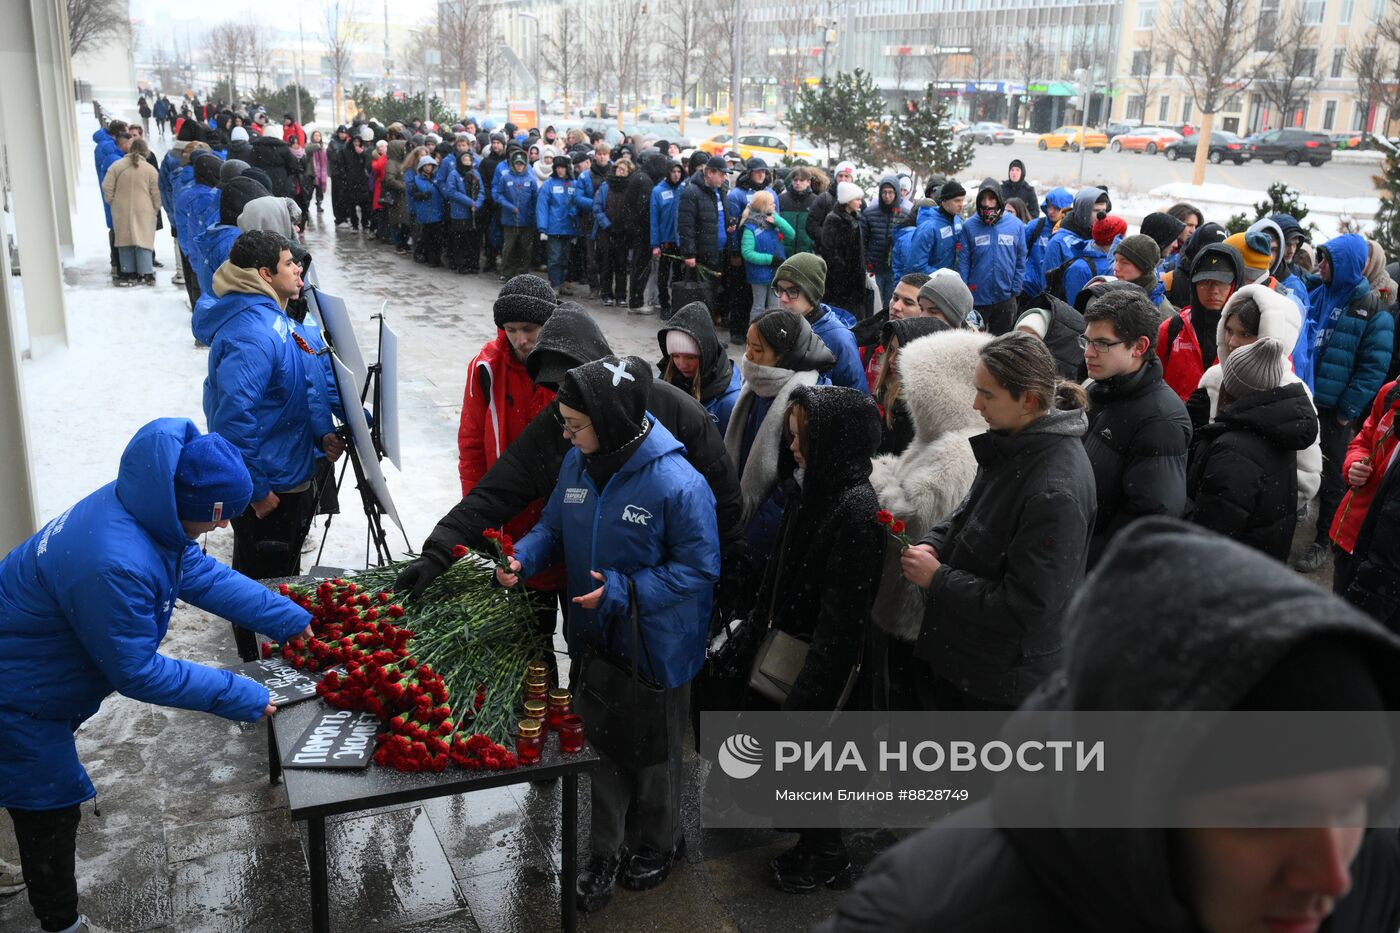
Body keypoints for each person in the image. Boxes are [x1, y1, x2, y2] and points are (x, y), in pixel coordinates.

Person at [816, 517, 1400, 933]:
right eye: (1269, 817)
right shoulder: (933, 910)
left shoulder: (1372, 864)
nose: (1331, 877)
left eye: (1353, 806)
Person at [0, 420, 316, 933]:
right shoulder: (114, 562)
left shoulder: (149, 505)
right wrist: (240, 692)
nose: (220, 531)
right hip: (16, 689)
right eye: (219, 520)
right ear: (196, 506)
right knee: (48, 805)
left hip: (33, 670)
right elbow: (137, 671)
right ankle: (61, 924)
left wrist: (290, 620)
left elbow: (194, 571)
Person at [495, 357, 720, 912]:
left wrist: (623, 591)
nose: (566, 434)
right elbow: (551, 527)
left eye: (575, 423)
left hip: (657, 645)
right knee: (601, 747)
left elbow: (699, 569)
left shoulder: (678, 483)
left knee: (657, 753)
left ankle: (660, 843)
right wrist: (521, 558)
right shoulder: (577, 463)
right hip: (596, 639)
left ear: (612, 420)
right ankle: (605, 850)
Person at [396, 303, 744, 621]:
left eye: (573, 381)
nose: (567, 405)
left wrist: (721, 591)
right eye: (558, 387)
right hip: (588, 597)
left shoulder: (675, 409)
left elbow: (723, 507)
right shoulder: (560, 420)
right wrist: (440, 550)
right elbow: (499, 489)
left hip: (661, 615)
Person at [899, 332, 1095, 710]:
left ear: (1029, 400)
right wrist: (936, 541)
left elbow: (1026, 607)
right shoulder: (1012, 440)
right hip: (971, 660)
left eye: (987, 395)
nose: (975, 404)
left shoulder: (1055, 491)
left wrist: (938, 578)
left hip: (996, 682)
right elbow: (970, 510)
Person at [757, 385, 885, 894]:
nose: (792, 449)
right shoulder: (822, 488)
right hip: (806, 649)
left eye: (801, 439)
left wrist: (812, 696)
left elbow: (843, 618)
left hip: (828, 665)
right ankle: (813, 846)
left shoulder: (855, 509)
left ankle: (827, 855)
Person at [200, 231, 343, 658]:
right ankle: (262, 667)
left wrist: (323, 433)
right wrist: (257, 489)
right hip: (272, 488)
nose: (298, 268)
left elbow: (305, 385)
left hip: (288, 474)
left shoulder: (277, 318)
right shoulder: (254, 333)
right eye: (288, 263)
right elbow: (232, 420)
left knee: (278, 578)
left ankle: (274, 659)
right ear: (265, 274)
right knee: (261, 585)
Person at [1295, 233, 1396, 574]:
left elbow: (1373, 368)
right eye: (1320, 259)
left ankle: (1324, 541)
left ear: (1347, 265)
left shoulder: (1373, 312)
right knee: (1298, 462)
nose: (1321, 265)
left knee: (1335, 479)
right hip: (1305, 399)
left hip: (1333, 412)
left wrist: (1345, 412)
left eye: (1328, 261)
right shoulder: (1317, 294)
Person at [1079, 286, 1191, 566]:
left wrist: (1079, 560)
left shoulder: (1161, 421)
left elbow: (1150, 522)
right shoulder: (1099, 389)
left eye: (1102, 343)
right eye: (1086, 341)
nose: (1088, 353)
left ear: (1139, 347)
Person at [1185, 284, 1323, 512]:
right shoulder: (1213, 377)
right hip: (1206, 507)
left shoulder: (1292, 393)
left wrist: (1254, 508)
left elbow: (1305, 480)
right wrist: (1195, 432)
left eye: (1246, 333)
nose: (1232, 342)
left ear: (1271, 335)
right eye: (1229, 330)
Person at [725, 310, 836, 588]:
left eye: (758, 348)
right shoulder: (756, 385)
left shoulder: (810, 403)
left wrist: (748, 546)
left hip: (768, 543)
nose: (748, 355)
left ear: (785, 353)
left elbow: (791, 490)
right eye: (747, 345)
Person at [1185, 337, 1318, 561]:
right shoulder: (1277, 431)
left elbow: (1210, 535)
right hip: (1257, 567)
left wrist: (1197, 442)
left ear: (1230, 387)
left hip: (1225, 576)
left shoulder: (1234, 451)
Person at [1158, 243, 1246, 400]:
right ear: (1193, 284)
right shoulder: (1172, 329)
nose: (1213, 290)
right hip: (1178, 421)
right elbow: (1154, 384)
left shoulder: (1253, 332)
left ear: (1234, 284)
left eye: (1222, 282)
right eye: (1204, 282)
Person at [770, 254, 867, 392]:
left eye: (792, 291)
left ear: (812, 294)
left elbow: (859, 400)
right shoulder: (777, 324)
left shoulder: (839, 339)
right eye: (779, 289)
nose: (783, 298)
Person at [658, 303, 743, 434]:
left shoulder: (729, 402)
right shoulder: (663, 381)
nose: (682, 364)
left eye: (690, 357)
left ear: (706, 355)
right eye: (675, 356)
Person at [871, 317, 951, 455]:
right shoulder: (893, 397)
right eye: (891, 349)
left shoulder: (915, 414)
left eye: (902, 352)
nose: (891, 359)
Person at [958, 179, 1027, 335]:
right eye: (983, 198)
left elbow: (1020, 259)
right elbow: (964, 262)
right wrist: (965, 291)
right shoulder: (969, 226)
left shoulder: (1015, 225)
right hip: (977, 298)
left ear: (999, 199)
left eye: (991, 198)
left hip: (1005, 297)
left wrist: (1015, 288)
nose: (987, 203)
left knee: (1001, 343)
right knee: (972, 341)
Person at [678, 156, 730, 330]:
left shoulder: (720, 190)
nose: (724, 178)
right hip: (702, 254)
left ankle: (707, 330)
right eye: (721, 174)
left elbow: (721, 217)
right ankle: (700, 332)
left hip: (720, 251)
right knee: (702, 296)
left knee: (715, 293)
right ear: (709, 173)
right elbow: (686, 225)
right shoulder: (691, 192)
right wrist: (689, 253)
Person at [739, 191, 794, 322]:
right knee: (758, 306)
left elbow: (791, 234)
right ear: (763, 206)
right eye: (771, 203)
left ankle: (772, 333)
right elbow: (747, 253)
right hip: (759, 273)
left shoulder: (774, 221)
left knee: (775, 306)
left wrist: (778, 220)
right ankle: (754, 334)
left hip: (776, 271)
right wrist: (770, 259)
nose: (775, 205)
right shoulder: (750, 226)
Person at [536, 154, 579, 295]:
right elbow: (542, 206)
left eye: (563, 168)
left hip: (569, 228)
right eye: (558, 168)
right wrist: (542, 228)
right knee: (554, 258)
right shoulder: (549, 184)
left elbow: (578, 203)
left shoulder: (574, 184)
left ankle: (561, 283)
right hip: (553, 228)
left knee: (565, 258)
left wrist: (576, 223)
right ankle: (554, 284)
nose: (560, 170)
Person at [1061, 214, 1123, 308]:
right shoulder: (1080, 268)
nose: (1125, 239)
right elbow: (1075, 308)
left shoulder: (1114, 261)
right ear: (1113, 239)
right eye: (1122, 236)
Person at [862, 176, 905, 310]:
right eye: (884, 192)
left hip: (894, 269)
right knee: (875, 303)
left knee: (892, 303)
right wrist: (866, 262)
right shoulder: (869, 213)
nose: (887, 196)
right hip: (874, 267)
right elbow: (863, 241)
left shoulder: (904, 215)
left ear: (896, 193)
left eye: (890, 192)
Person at [649, 159, 686, 316]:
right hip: (665, 240)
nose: (676, 175)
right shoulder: (658, 191)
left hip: (680, 240)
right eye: (673, 172)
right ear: (668, 173)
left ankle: (677, 306)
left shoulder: (684, 189)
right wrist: (655, 244)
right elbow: (654, 219)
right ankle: (664, 304)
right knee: (663, 275)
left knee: (678, 275)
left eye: (679, 172)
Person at [1022, 187, 1073, 299]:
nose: (1050, 211)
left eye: (1056, 208)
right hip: (1028, 288)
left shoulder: (1071, 232)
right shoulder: (1035, 226)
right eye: (1049, 206)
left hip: (1054, 293)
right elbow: (1017, 252)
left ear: (1066, 209)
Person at [909, 180, 965, 275]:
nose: (961, 205)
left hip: (952, 283)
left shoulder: (958, 222)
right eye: (957, 201)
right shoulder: (928, 228)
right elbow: (917, 266)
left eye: (962, 200)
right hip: (931, 285)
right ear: (944, 201)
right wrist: (942, 277)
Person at [444, 150, 485, 274]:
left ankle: (472, 264)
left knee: (472, 240)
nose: (467, 162)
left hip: (473, 213)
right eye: (464, 160)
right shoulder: (454, 174)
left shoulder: (475, 174)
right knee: (460, 240)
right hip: (459, 213)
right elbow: (451, 192)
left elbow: (482, 191)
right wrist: (470, 202)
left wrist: (477, 204)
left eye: (469, 160)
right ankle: (461, 264)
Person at [806, 160, 855, 251]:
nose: (843, 179)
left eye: (847, 176)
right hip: (826, 252)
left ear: (852, 179)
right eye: (840, 176)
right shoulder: (824, 199)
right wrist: (829, 239)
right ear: (836, 177)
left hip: (850, 254)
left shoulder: (858, 201)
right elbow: (811, 225)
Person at [1112, 233, 1168, 310]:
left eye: (1124, 262)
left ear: (1144, 268)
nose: (1115, 267)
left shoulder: (1160, 310)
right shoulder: (1109, 291)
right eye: (1115, 260)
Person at [408, 156, 446, 267]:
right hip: (425, 212)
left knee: (437, 237)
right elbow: (413, 195)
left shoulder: (437, 179)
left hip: (437, 210)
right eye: (426, 165)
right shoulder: (416, 180)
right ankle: (430, 258)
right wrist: (423, 195)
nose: (428, 168)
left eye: (430, 165)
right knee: (427, 236)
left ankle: (436, 258)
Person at [777, 165, 822, 257]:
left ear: (808, 182)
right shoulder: (781, 199)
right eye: (795, 180)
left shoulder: (816, 200)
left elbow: (819, 227)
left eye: (801, 180)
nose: (798, 183)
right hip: (784, 251)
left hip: (807, 252)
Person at [306, 130, 328, 213]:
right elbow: (307, 149)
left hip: (320, 175)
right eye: (315, 135)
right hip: (311, 173)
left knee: (319, 192)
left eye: (319, 135)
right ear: (312, 137)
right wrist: (317, 146)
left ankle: (319, 205)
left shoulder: (322, 147)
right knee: (309, 192)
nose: (317, 137)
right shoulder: (309, 145)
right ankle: (306, 206)